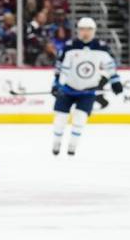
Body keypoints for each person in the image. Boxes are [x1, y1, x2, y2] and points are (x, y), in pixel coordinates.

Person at [51, 17, 122, 156]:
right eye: (82, 29)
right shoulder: (69, 46)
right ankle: (56, 143)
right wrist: (56, 84)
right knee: (60, 119)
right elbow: (60, 67)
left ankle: (72, 146)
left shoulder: (101, 47)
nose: (86, 32)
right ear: (78, 30)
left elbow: (110, 66)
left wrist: (115, 81)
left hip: (88, 92)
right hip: (68, 89)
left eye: (89, 29)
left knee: (80, 119)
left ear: (94, 31)